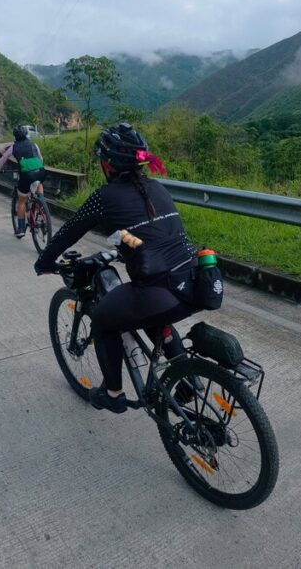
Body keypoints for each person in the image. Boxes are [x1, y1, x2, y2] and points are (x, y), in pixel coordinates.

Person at [34, 123, 198, 413]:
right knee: (155, 314)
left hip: (159, 289)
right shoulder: (157, 187)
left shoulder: (105, 197)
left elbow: (70, 231)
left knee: (103, 320)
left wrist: (45, 261)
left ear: (106, 164)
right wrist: (125, 249)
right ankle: (188, 380)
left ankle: (113, 393)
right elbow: (148, 236)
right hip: (193, 281)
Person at [0, 125, 47, 238]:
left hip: (26, 175)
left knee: (22, 201)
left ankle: (20, 229)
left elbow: (2, 160)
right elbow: (41, 159)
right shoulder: (34, 144)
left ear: (15, 136)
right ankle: (41, 204)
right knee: (39, 183)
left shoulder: (13, 147)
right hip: (41, 172)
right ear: (26, 134)